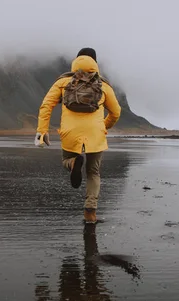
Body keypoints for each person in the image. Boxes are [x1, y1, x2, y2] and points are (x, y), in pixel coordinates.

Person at [35, 47, 122, 224]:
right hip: (95, 135)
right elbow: (116, 112)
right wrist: (104, 127)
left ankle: (73, 163)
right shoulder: (103, 85)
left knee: (66, 159)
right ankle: (90, 213)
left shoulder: (63, 81)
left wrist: (42, 131)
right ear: (95, 62)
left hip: (70, 133)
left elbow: (46, 105)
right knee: (93, 173)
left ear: (76, 60)